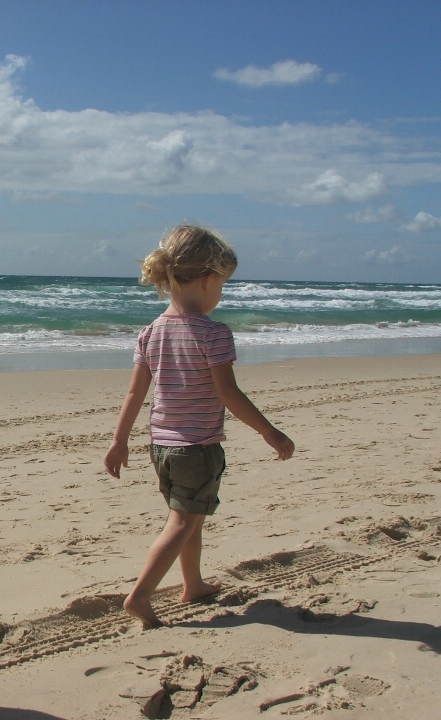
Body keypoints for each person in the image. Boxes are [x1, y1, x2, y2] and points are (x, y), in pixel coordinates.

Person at [103, 225, 294, 630]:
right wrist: (269, 431)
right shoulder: (214, 333)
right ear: (208, 280)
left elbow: (135, 394)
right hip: (197, 447)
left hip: (162, 446)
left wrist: (120, 441)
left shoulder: (151, 332)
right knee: (183, 522)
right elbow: (228, 393)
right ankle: (139, 596)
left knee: (188, 516)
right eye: (222, 284)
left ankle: (193, 584)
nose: (220, 292)